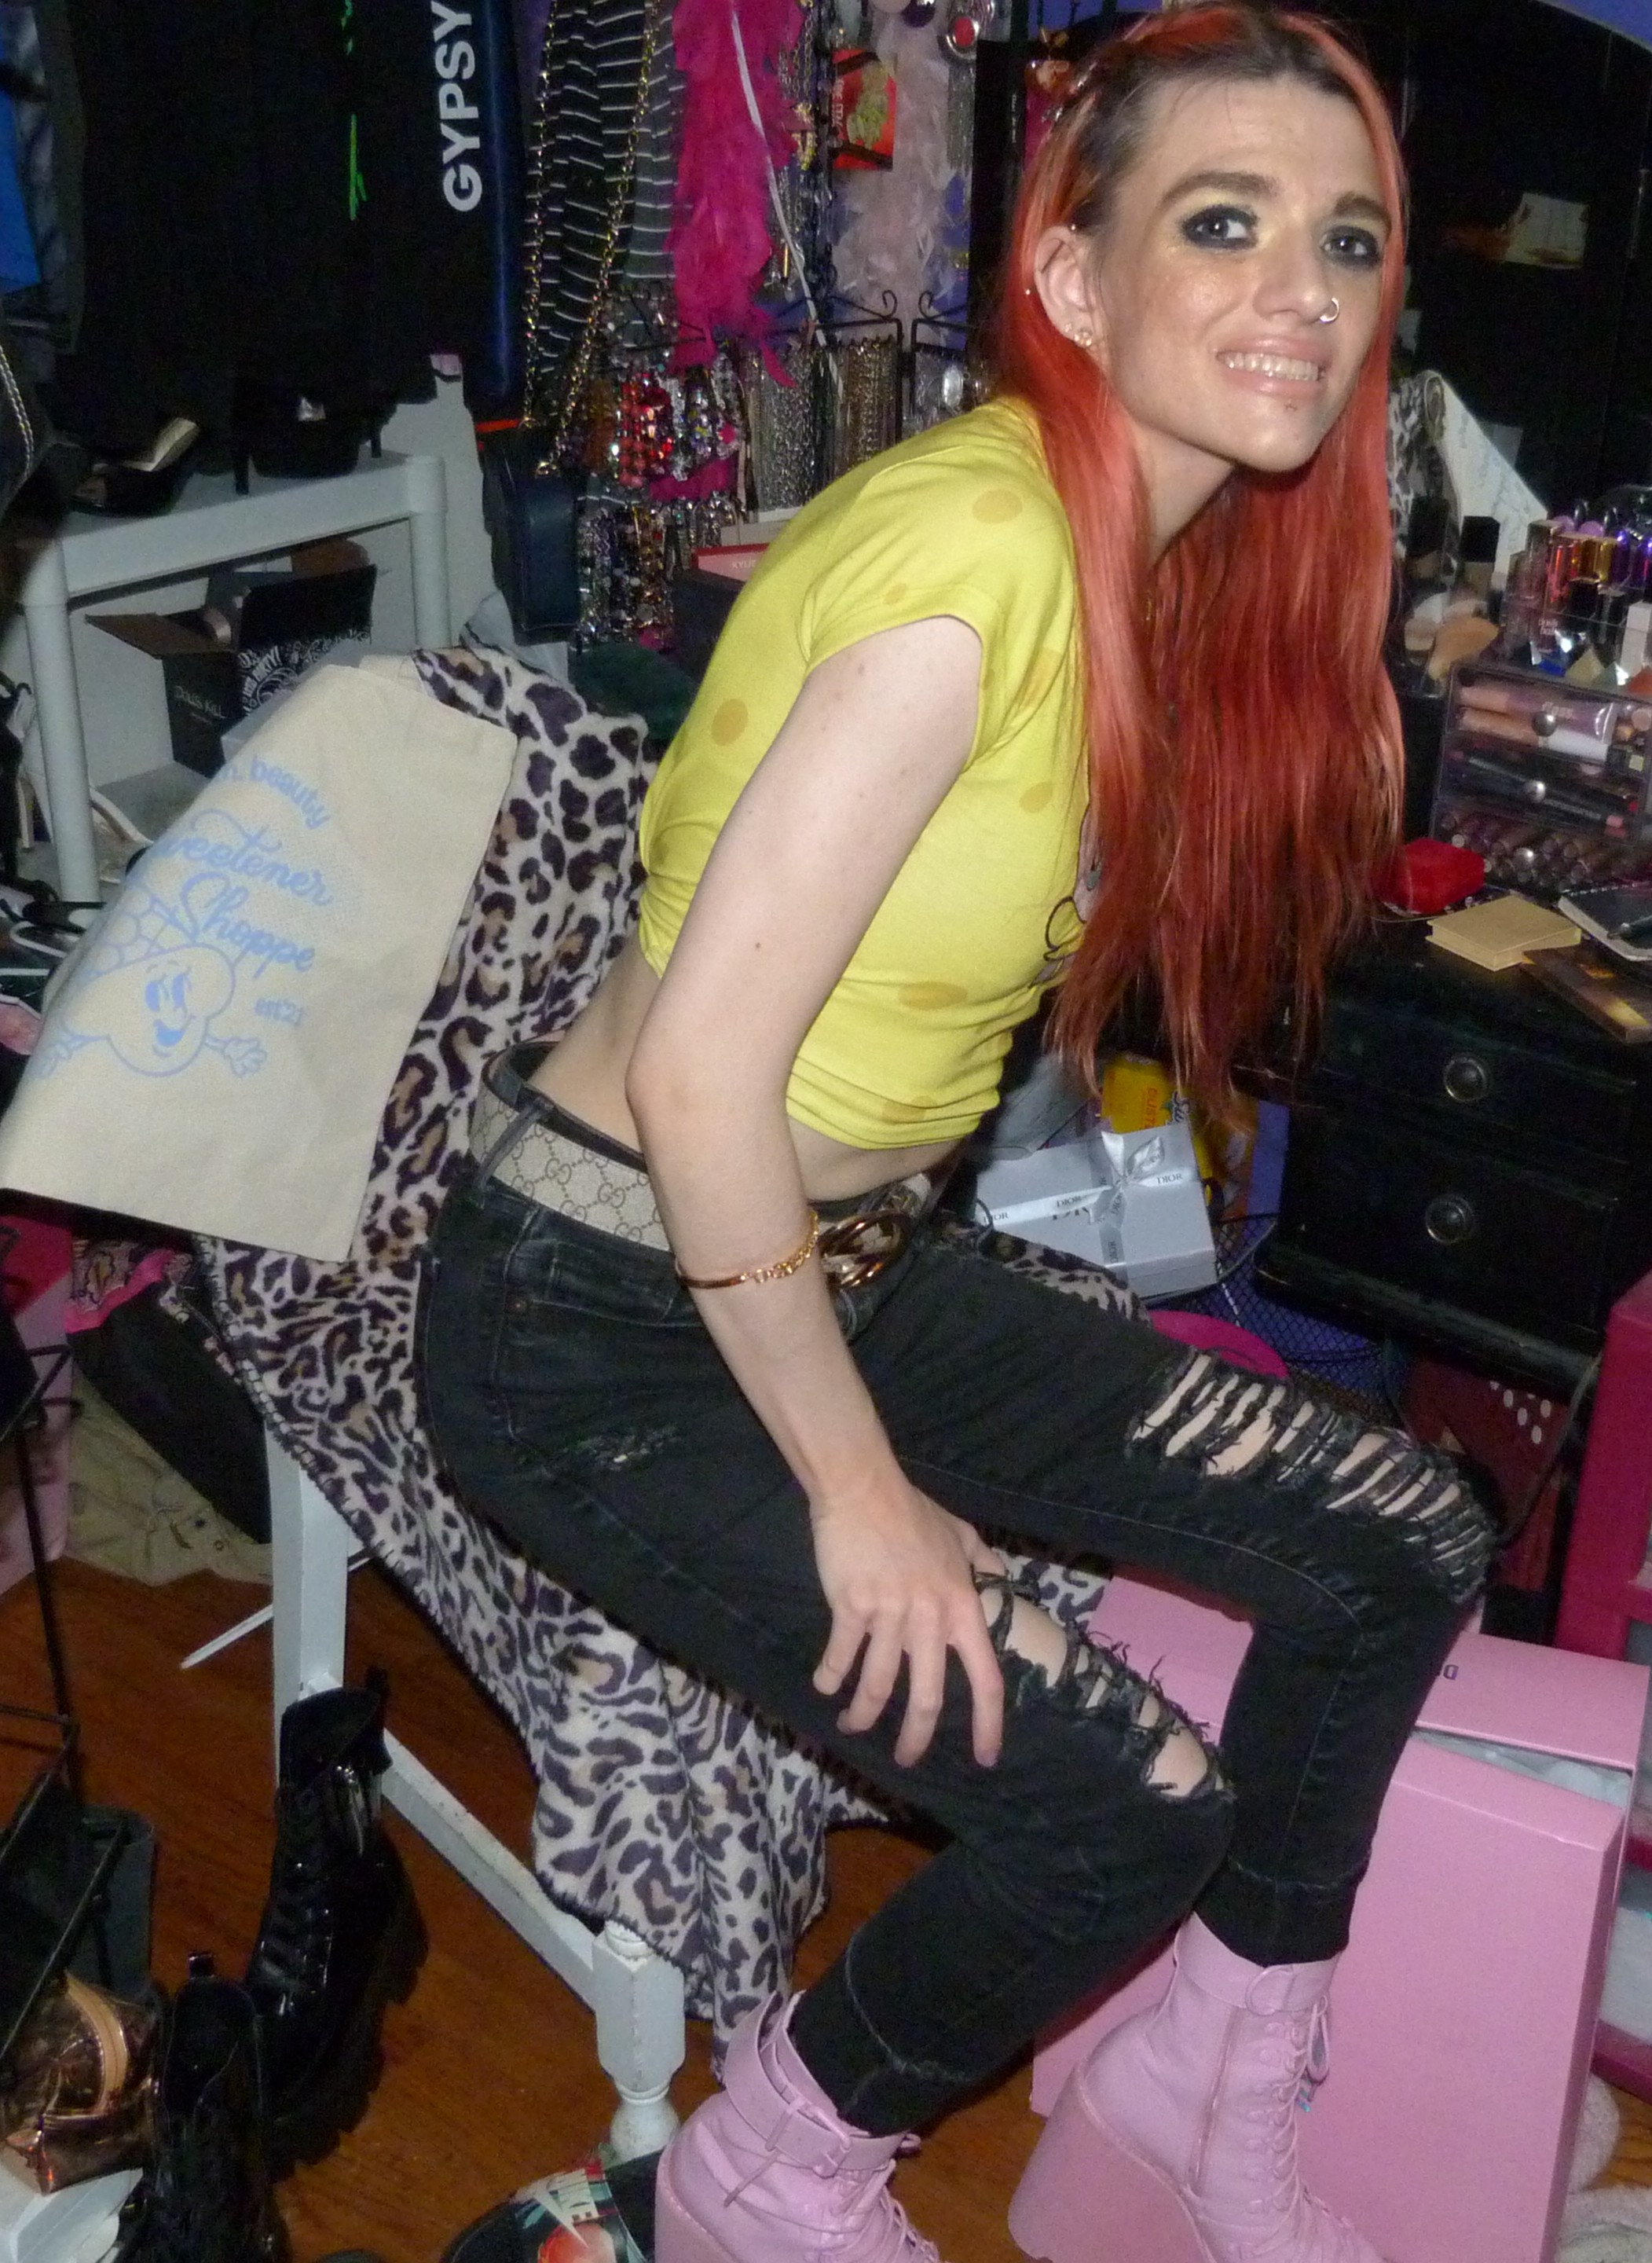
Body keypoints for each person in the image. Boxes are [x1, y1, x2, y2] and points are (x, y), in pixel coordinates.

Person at [419, 9, 1498, 2260]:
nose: (1302, 290)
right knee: (1125, 1806)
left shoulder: (1136, 549)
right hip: (596, 1322)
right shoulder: (980, 554)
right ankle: (766, 2176)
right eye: (1226, 224)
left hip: (833, 1264)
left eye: (1347, 240)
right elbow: (703, 1078)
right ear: (1076, 277)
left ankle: (1210, 2087)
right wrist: (866, 1497)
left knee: (1400, 1534)